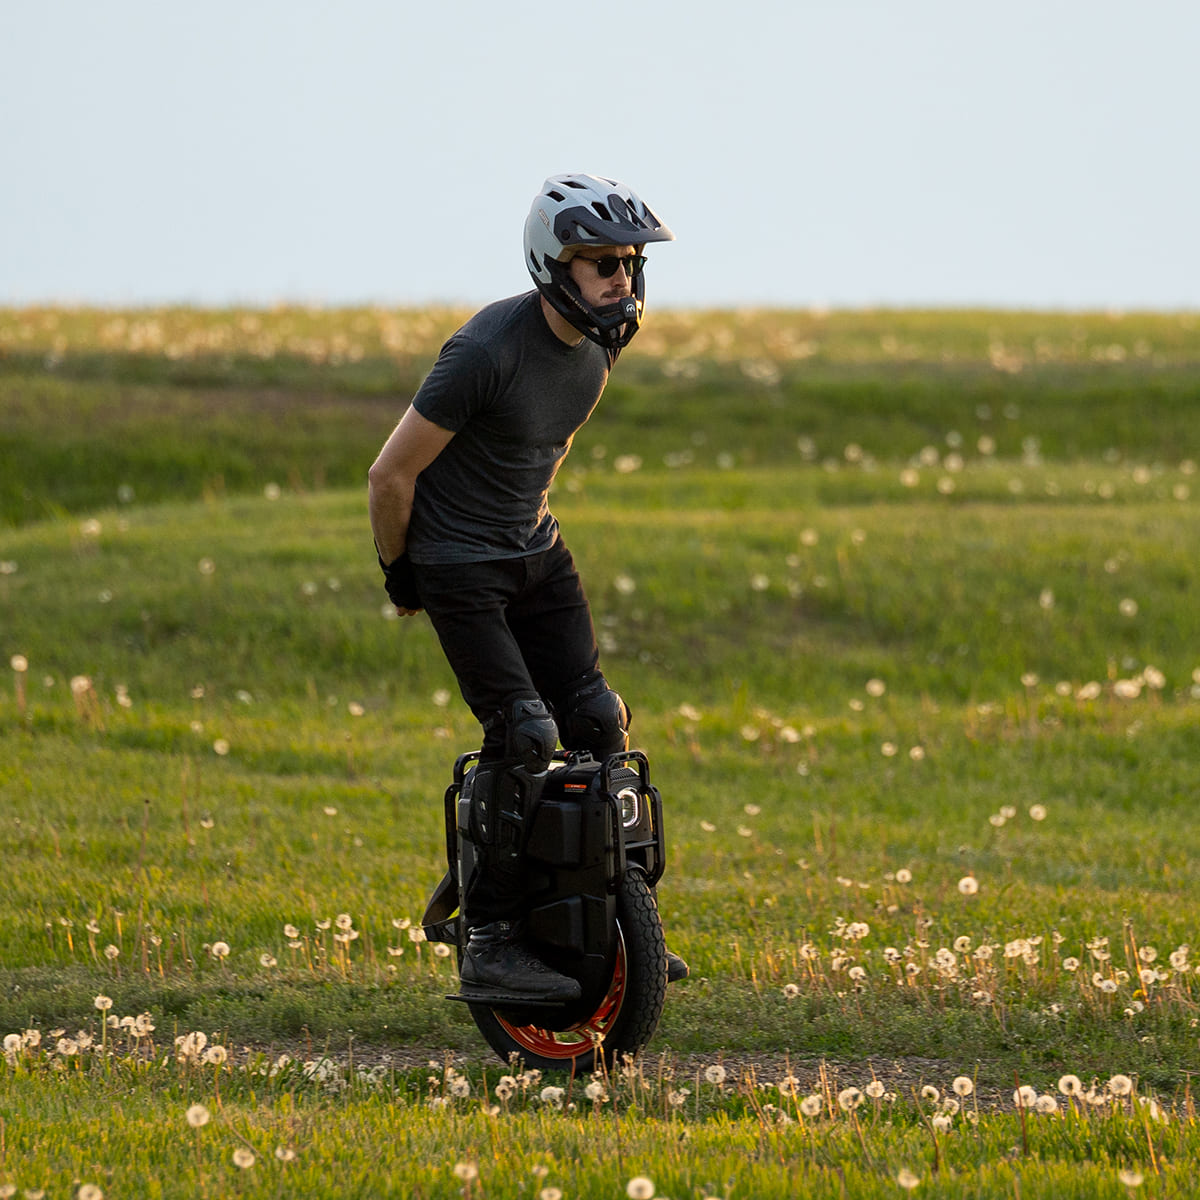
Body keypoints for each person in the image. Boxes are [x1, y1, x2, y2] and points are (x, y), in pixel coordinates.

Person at [368, 173, 687, 1002]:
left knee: (596, 719)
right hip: (457, 562)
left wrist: (526, 515)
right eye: (600, 264)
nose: (621, 278)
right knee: (524, 733)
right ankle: (491, 934)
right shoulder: (484, 352)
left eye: (628, 261)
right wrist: (406, 577)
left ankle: (619, 918)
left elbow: (544, 443)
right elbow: (390, 474)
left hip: (533, 548)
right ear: (553, 266)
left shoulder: (604, 340)